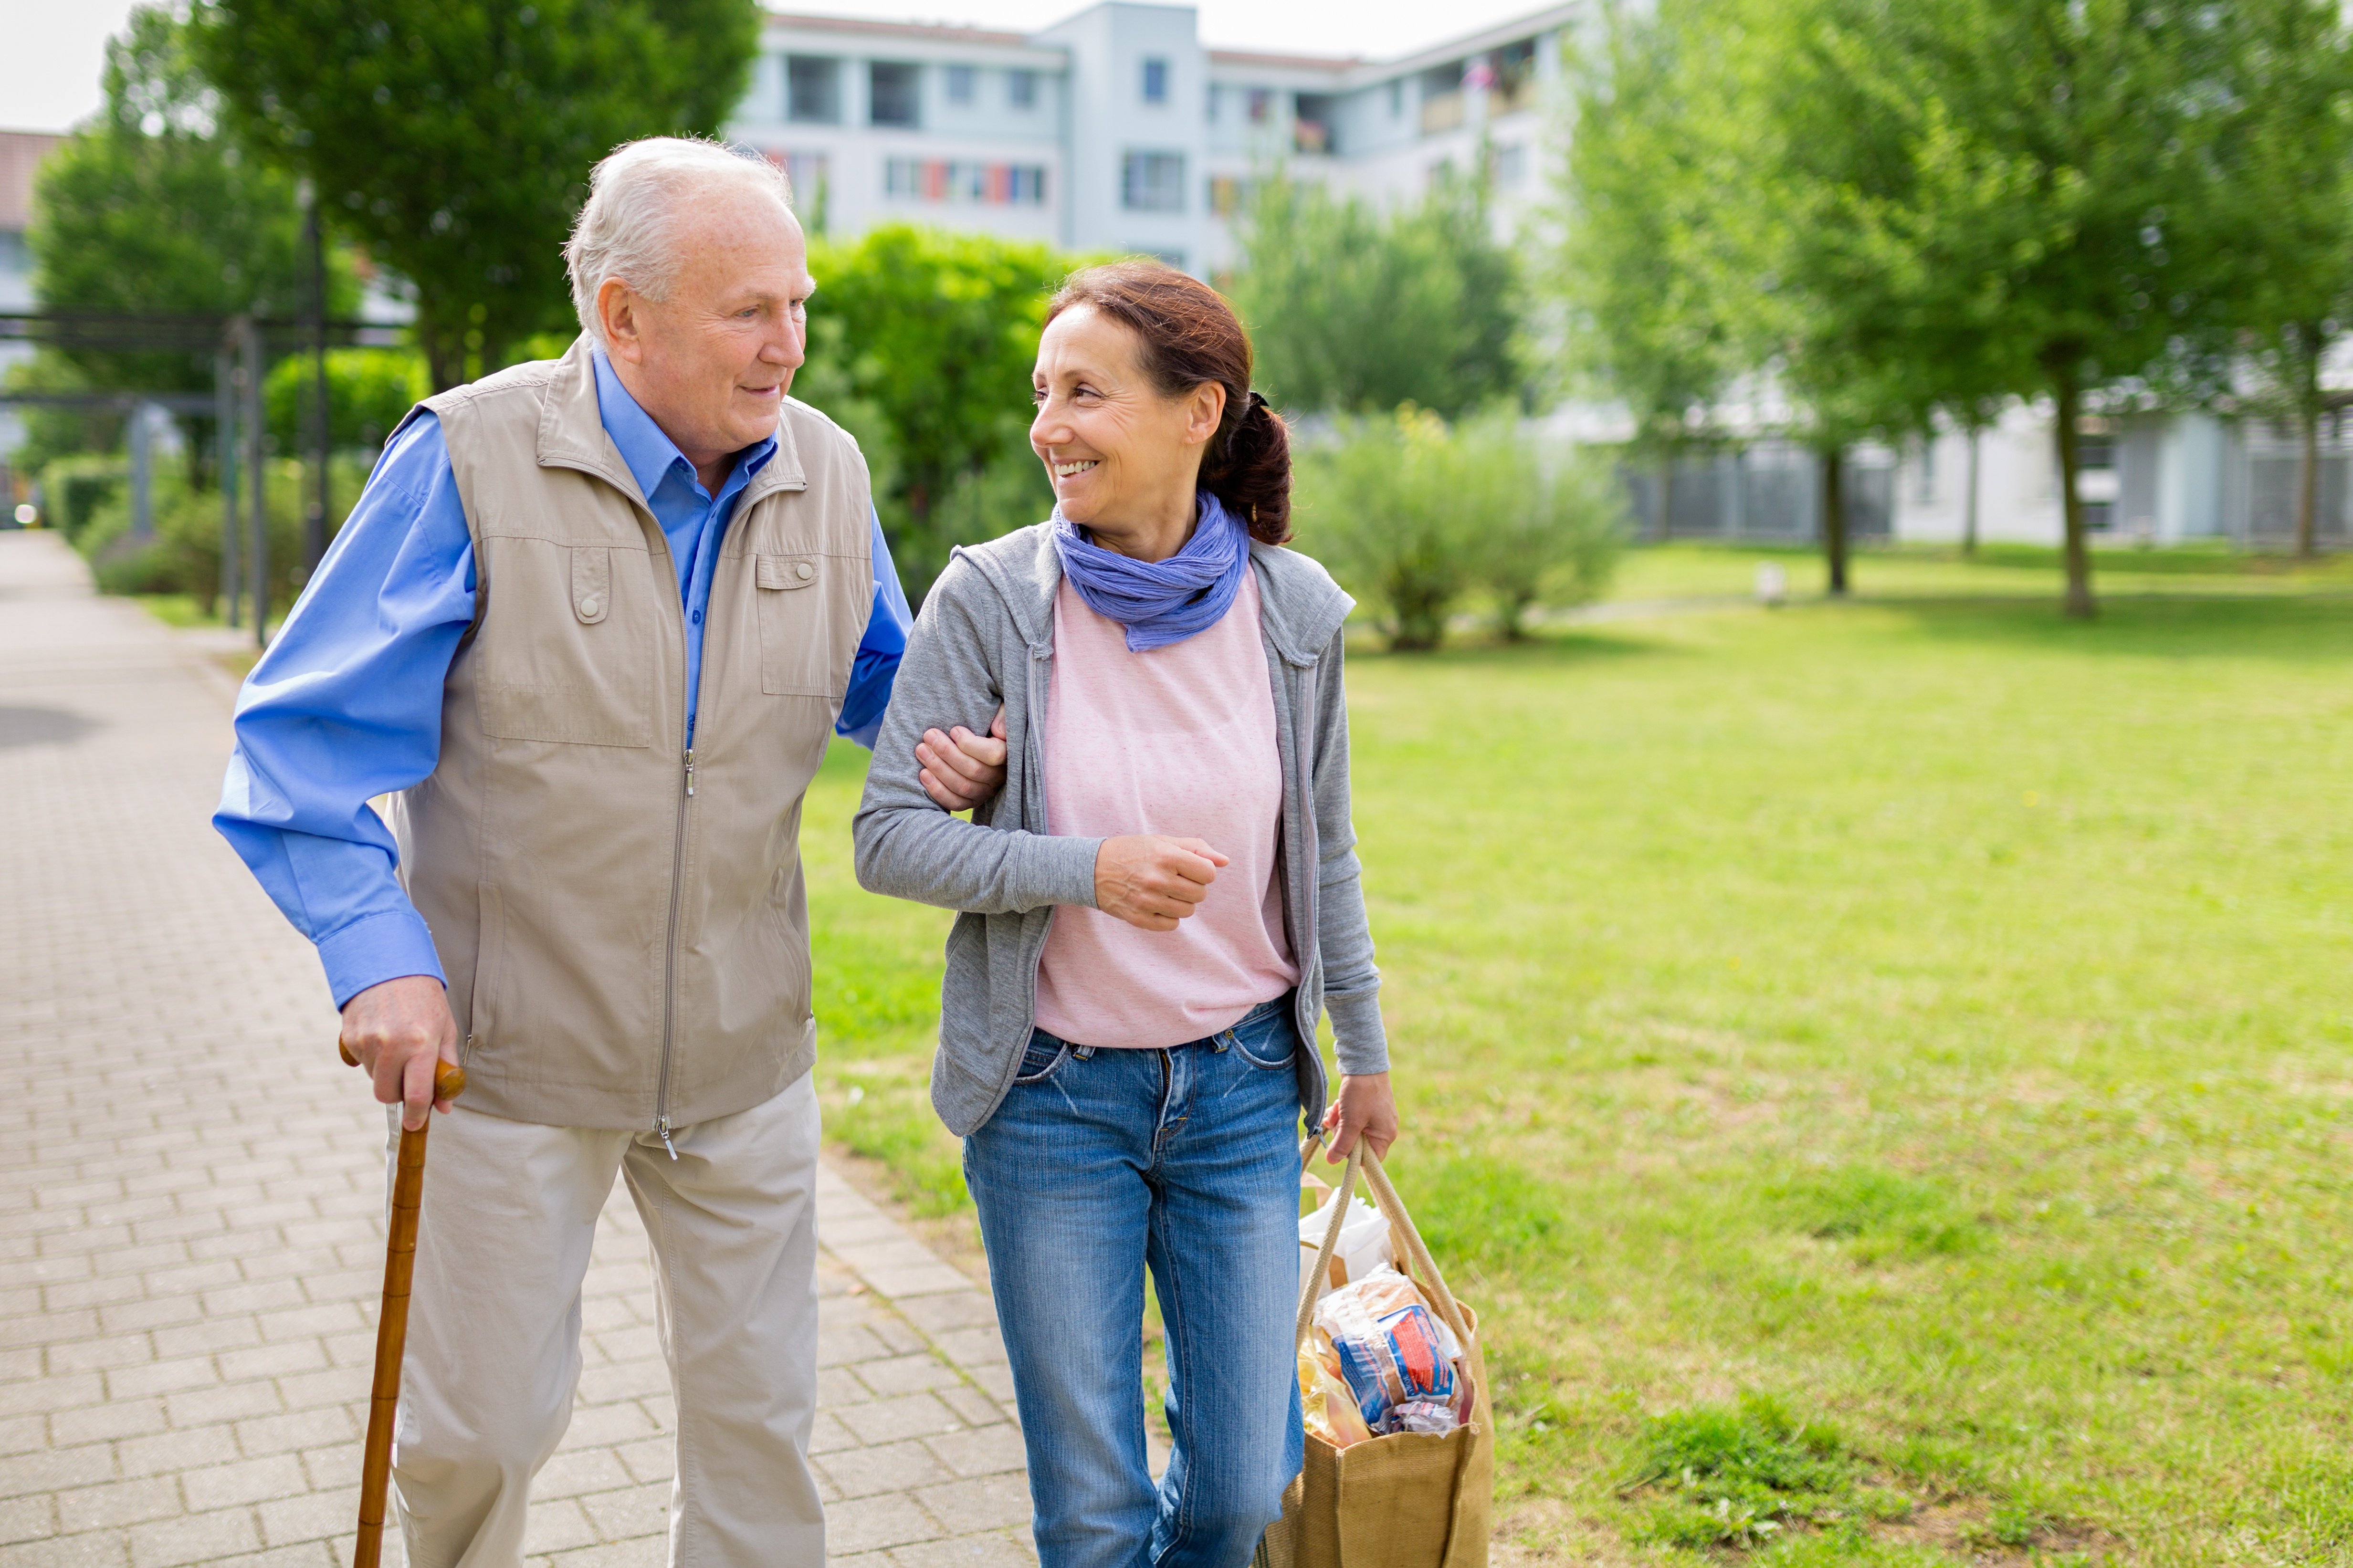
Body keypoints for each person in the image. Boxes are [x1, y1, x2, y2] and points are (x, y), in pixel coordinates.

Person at [213, 137, 1006, 1567]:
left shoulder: (824, 470)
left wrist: (954, 747)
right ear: (620, 315)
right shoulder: (465, 457)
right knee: (483, 1438)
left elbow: (888, 683)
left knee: (763, 1429)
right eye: (747, 310)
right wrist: (379, 966)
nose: (787, 347)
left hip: (742, 1048)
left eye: (798, 305)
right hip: (511, 1055)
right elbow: (291, 754)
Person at [852, 261, 1401, 1568]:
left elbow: (1322, 850)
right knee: (1093, 1513)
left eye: (1085, 393)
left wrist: (1365, 1052)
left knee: (1238, 1486)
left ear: (1196, 410)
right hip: (1049, 1101)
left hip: (1240, 1091)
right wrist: (1079, 868)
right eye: (1042, 393)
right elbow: (886, 837)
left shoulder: (1293, 611)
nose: (1049, 425)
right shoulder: (992, 597)